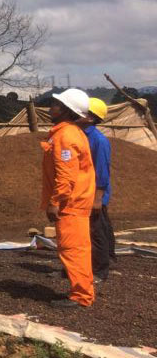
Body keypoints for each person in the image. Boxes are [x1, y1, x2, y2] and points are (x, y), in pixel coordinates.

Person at [42, 88, 96, 308]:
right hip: (74, 202)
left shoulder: (66, 136)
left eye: (55, 104)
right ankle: (81, 291)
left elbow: (66, 174)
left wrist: (56, 201)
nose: (50, 107)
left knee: (73, 249)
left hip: (70, 203)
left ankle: (82, 295)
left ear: (66, 110)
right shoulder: (68, 133)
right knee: (75, 248)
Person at [80, 97, 115, 282]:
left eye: (82, 111)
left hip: (94, 194)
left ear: (92, 118)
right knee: (85, 233)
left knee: (96, 232)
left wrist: (98, 198)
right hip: (82, 193)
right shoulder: (79, 136)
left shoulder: (98, 140)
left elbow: (102, 171)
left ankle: (100, 271)